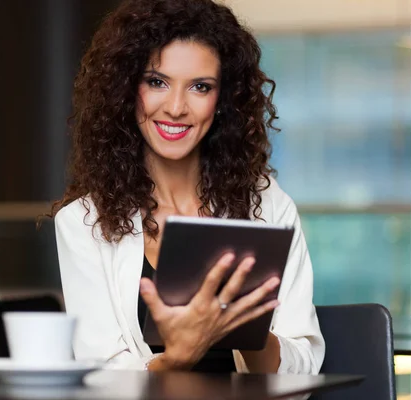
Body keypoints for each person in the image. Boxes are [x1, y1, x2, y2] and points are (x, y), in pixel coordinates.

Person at [52, 0, 325, 373]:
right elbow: (103, 381)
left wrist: (245, 325)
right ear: (126, 90)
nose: (176, 107)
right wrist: (180, 355)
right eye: (157, 82)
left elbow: (305, 367)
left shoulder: (267, 202)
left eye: (200, 86)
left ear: (223, 99)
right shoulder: (83, 221)